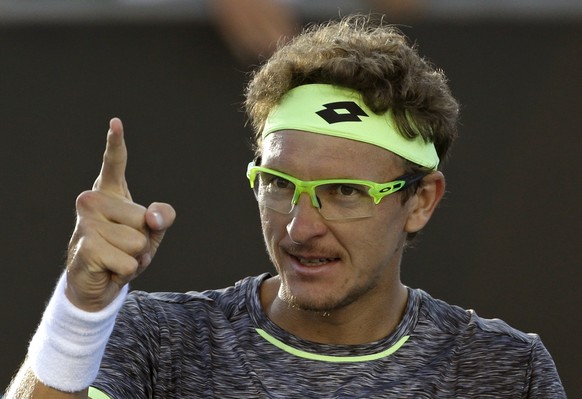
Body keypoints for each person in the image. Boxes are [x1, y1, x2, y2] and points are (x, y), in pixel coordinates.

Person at [5, 14, 565, 399]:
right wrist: (79, 309)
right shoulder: (155, 338)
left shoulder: (505, 370)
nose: (300, 227)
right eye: (277, 184)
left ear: (421, 200)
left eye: (344, 192)